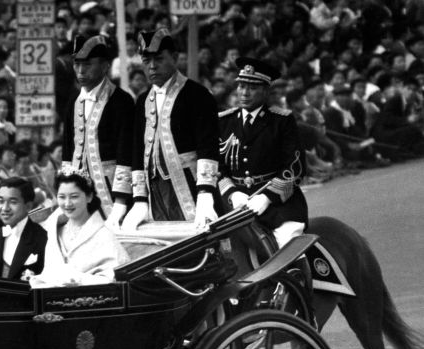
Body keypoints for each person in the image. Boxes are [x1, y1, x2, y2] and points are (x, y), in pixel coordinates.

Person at [125, 29, 220, 230]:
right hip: (155, 191)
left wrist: (205, 192)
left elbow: (208, 145)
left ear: (175, 58)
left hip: (191, 185)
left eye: (159, 59)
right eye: (146, 60)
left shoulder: (197, 94)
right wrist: (140, 198)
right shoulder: (142, 100)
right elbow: (137, 151)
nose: (152, 66)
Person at [217, 57, 308, 249]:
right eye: (241, 86)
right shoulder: (224, 122)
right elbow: (217, 166)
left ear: (266, 91)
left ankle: (296, 278)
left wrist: (267, 196)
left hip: (278, 206)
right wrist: (232, 193)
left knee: (287, 246)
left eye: (252, 87)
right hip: (234, 204)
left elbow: (295, 166)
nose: (245, 92)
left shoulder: (282, 121)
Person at [60, 34, 135, 222]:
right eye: (77, 64)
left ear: (105, 66)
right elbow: (68, 150)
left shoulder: (121, 101)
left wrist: (121, 201)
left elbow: (126, 151)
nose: (80, 71)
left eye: (87, 64)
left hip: (112, 193)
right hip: (80, 194)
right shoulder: (73, 102)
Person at [30, 168, 128, 288]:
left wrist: (78, 279)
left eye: (74, 196)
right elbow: (48, 274)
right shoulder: (54, 232)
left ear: (89, 197)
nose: (67, 203)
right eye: (62, 197)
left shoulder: (103, 235)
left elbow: (115, 278)